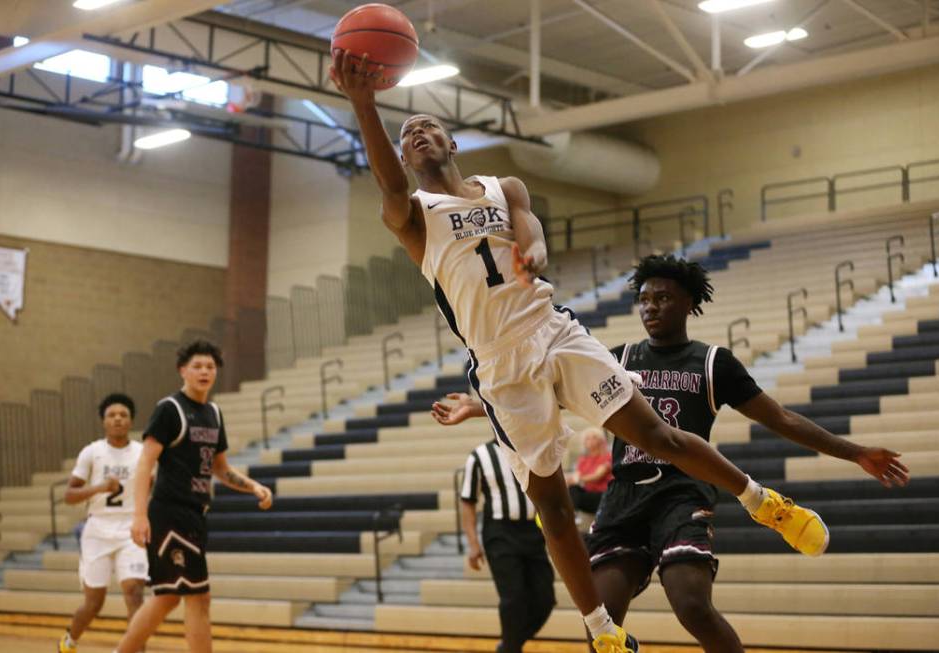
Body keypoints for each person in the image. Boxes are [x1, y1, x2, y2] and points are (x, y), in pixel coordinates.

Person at [333, 49, 827, 653]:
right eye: (408, 135)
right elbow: (385, 180)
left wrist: (535, 248)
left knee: (659, 437)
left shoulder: (502, 184)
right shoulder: (412, 215)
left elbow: (527, 221)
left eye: (427, 126)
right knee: (554, 505)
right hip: (500, 364)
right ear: (405, 159)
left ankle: (762, 501)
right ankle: (602, 632)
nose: (416, 134)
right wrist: (364, 103)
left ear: (453, 141)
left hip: (552, 328)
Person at [584, 255, 910, 653]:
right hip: (624, 497)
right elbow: (552, 394)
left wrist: (856, 452)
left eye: (663, 298)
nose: (650, 306)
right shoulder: (616, 360)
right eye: (645, 299)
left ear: (689, 303)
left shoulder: (713, 363)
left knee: (692, 606)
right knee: (601, 625)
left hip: (682, 492)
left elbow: (782, 418)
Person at [112, 340, 273, 653]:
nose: (204, 372)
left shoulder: (213, 413)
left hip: (195, 516)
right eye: (197, 366)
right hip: (169, 514)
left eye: (210, 367)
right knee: (196, 597)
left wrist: (252, 485)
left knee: (170, 597)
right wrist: (139, 515)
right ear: (182, 371)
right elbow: (145, 463)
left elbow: (220, 468)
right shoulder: (170, 410)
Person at [58, 394, 147, 653]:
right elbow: (69, 496)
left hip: (131, 529)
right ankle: (69, 640)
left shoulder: (143, 453)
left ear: (131, 421)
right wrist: (99, 487)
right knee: (94, 603)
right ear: (103, 422)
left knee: (134, 593)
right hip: (97, 530)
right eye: (112, 415)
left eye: (123, 415)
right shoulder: (92, 452)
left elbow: (154, 486)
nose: (118, 418)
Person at [461, 437, 555, 653]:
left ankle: (510, 645)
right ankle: (511, 647)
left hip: (533, 532)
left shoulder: (532, 449)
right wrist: (473, 544)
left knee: (545, 599)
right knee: (513, 597)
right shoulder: (479, 456)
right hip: (499, 533)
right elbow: (467, 501)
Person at [567, 429, 613, 516]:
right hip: (588, 494)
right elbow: (575, 477)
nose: (590, 440)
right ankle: (571, 515)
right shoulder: (582, 460)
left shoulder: (607, 457)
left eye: (594, 437)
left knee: (574, 491)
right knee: (572, 489)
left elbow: (597, 476)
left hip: (603, 495)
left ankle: (572, 515)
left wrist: (578, 479)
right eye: (588, 438)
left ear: (601, 440)